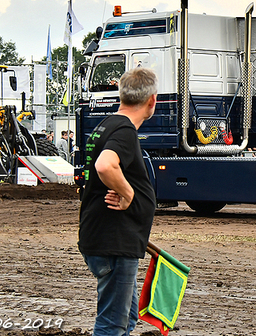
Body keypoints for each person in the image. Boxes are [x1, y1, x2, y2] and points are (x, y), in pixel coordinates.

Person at [78, 67, 158, 336]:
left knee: (128, 317)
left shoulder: (105, 125)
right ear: (152, 101)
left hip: (111, 239)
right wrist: (130, 195)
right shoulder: (124, 130)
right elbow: (105, 166)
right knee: (112, 325)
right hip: (114, 244)